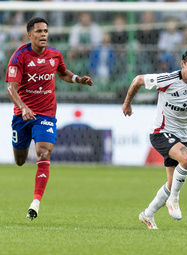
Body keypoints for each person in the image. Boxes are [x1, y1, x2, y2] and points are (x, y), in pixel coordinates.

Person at [6, 17, 94, 221]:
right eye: (38, 31)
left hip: (45, 114)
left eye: (45, 30)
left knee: (43, 153)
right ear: (30, 35)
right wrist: (23, 107)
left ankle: (35, 203)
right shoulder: (19, 56)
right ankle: (23, 149)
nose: (43, 34)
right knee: (20, 160)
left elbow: (63, 73)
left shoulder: (54, 55)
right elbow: (11, 88)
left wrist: (77, 79)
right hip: (22, 115)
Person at [122, 46, 187, 229]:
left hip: (181, 136)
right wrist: (127, 103)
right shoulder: (168, 79)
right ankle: (174, 200)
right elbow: (137, 80)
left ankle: (148, 214)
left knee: (171, 182)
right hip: (161, 132)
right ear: (182, 64)